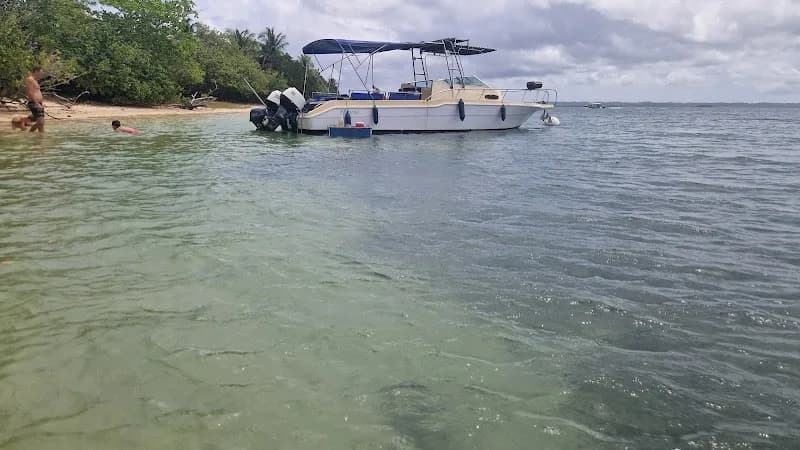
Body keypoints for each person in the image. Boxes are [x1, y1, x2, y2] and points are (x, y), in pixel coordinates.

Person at [25, 66, 46, 133]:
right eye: (40, 73)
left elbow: (36, 91)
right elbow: (30, 92)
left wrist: (40, 103)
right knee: (41, 122)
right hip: (34, 103)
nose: (41, 74)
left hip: (38, 103)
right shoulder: (30, 79)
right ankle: (40, 137)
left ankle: (33, 134)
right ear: (36, 71)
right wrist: (36, 103)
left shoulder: (35, 80)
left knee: (41, 123)